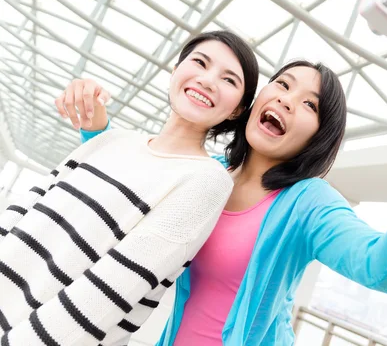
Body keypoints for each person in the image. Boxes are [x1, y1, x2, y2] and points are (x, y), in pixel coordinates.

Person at [70, 11, 387, 345]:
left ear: (319, 136)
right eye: (282, 85)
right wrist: (96, 129)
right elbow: (130, 193)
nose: (287, 101)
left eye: (309, 105)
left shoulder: (308, 203)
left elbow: (385, 271)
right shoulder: (206, 176)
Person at [0, 30, 259, 346]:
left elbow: (109, 290)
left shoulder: (206, 181)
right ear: (175, 71)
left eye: (229, 80)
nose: (207, 80)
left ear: (237, 110)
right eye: (200, 62)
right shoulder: (112, 140)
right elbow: (28, 209)